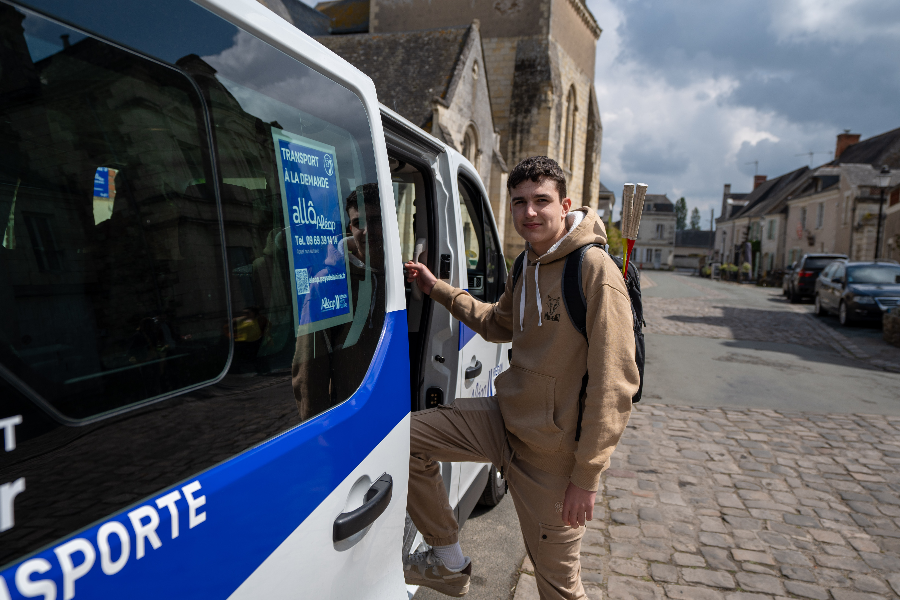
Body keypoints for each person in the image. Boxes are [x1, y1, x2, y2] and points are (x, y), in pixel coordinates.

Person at [402, 157, 639, 599]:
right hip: (505, 420)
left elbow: (616, 383)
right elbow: (497, 324)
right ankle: (448, 562)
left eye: (541, 201)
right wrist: (438, 289)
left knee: (558, 588)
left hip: (552, 459)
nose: (529, 212)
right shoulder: (525, 263)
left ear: (564, 204)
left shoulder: (594, 271)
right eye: (519, 202)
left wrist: (586, 478)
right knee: (405, 439)